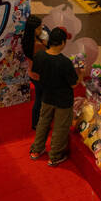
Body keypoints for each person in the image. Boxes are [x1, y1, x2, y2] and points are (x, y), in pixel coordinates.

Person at [29, 26, 82, 167]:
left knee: (43, 122)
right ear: (63, 43)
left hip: (47, 96)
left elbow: (35, 74)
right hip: (63, 100)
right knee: (60, 127)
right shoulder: (65, 62)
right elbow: (74, 85)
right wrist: (81, 73)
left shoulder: (40, 56)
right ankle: (55, 156)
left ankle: (36, 150)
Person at [20, 18, 46, 129]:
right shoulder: (37, 45)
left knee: (39, 98)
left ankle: (36, 123)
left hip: (32, 73)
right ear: (34, 30)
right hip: (40, 75)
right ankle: (37, 123)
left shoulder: (26, 40)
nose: (41, 29)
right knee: (40, 100)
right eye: (39, 28)